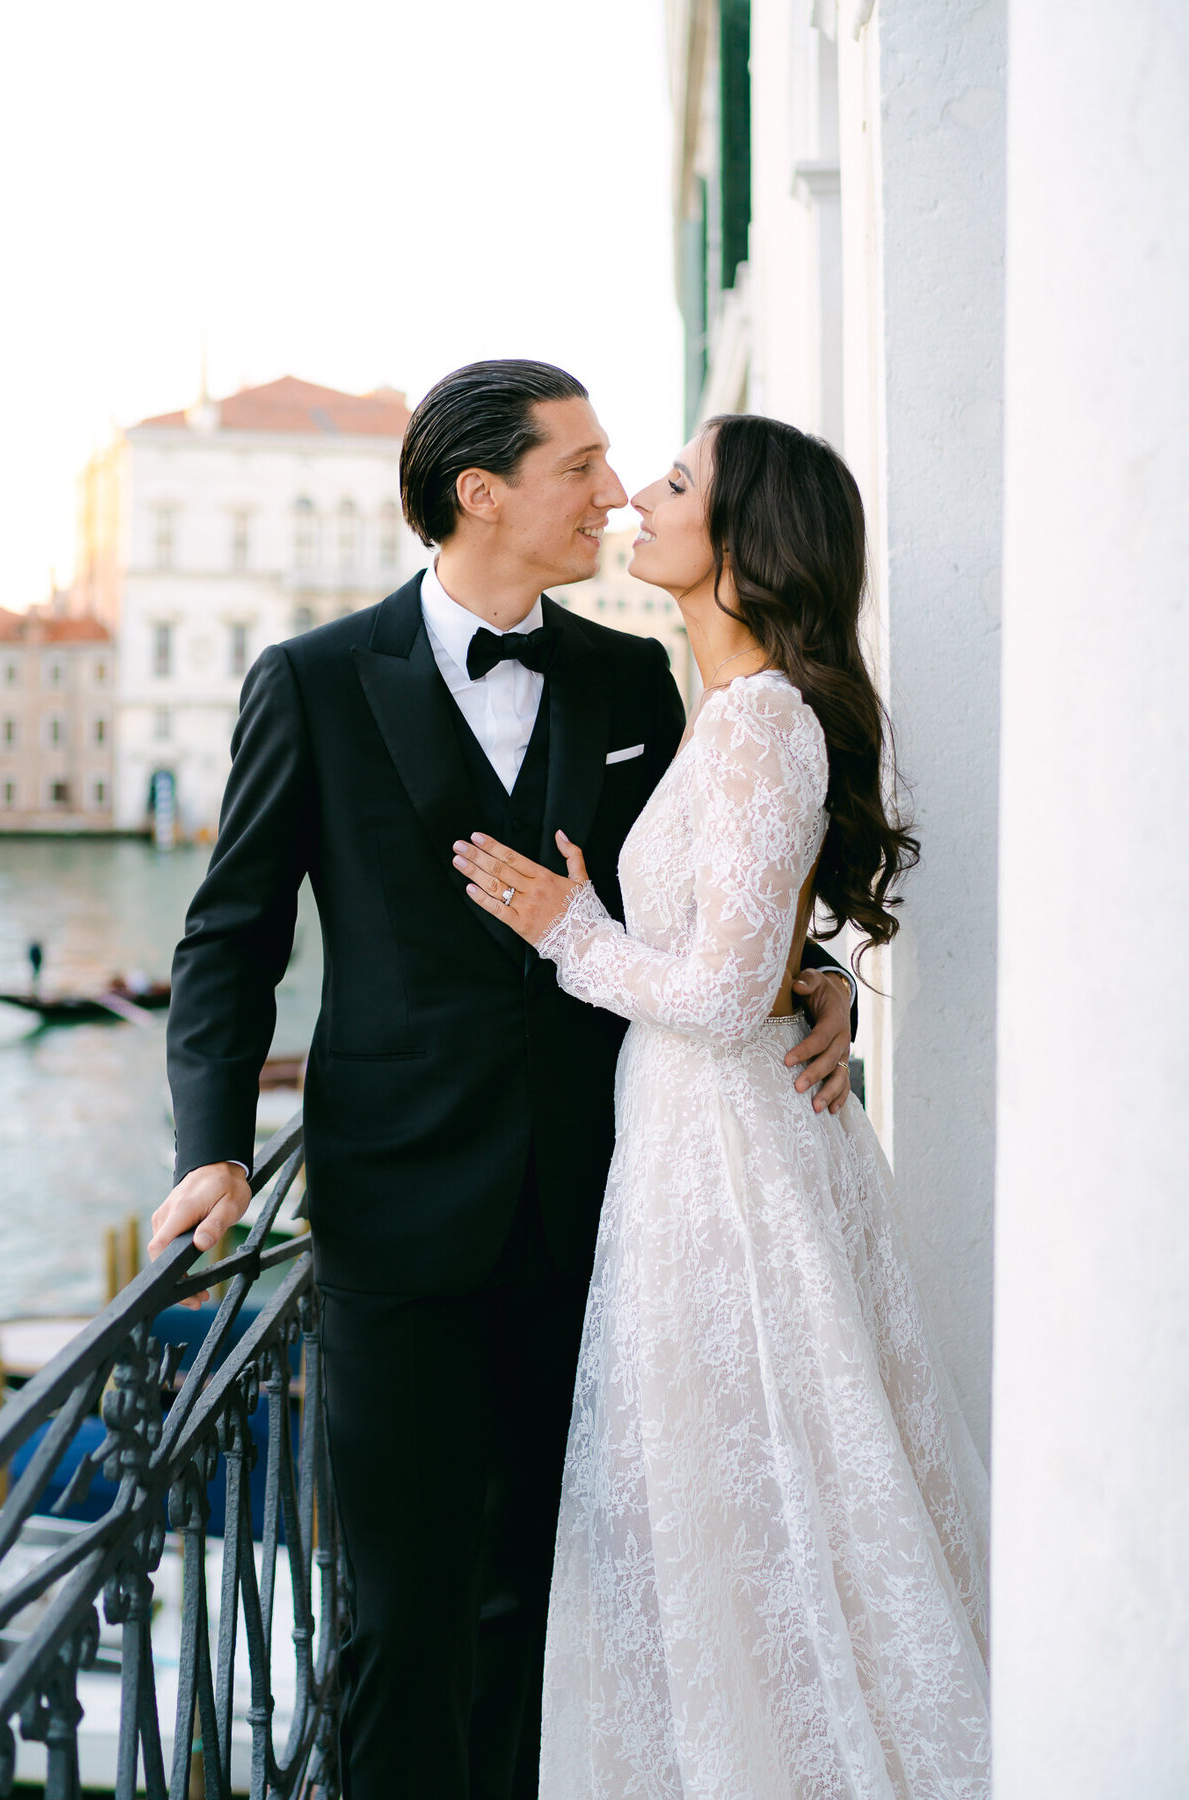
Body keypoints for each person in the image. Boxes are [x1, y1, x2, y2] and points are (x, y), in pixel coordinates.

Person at [147, 362, 857, 1800]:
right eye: (583, 465)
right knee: (398, 1612)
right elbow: (230, 938)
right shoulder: (315, 679)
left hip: (604, 1207)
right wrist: (212, 1148)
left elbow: (712, 881)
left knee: (553, 1594)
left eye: (623, 470)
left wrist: (810, 964)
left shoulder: (626, 675)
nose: (611, 491)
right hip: (395, 1218)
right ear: (484, 491)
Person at [455, 415, 990, 1798]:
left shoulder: (760, 724)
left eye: (674, 485)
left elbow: (710, 988)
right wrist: (817, 975)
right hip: (695, 1149)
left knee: (742, 1504)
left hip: (728, 1172)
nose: (635, 494)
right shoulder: (731, 713)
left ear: (745, 550)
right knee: (734, 1512)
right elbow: (750, 954)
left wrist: (573, 930)